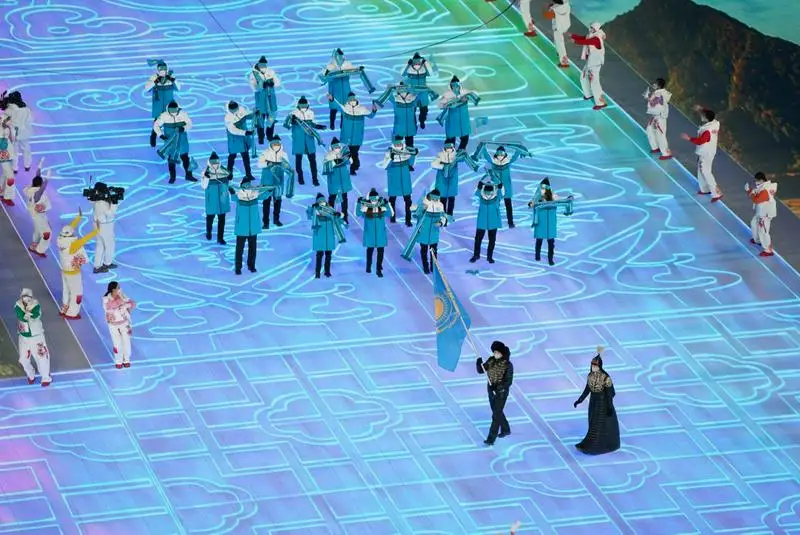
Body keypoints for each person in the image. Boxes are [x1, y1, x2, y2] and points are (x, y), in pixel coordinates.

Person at [573, 347, 620, 454]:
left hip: (602, 403)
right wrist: (579, 400)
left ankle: (596, 445)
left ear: (599, 366)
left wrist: (609, 405)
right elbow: (587, 390)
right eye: (592, 365)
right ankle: (590, 442)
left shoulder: (605, 377)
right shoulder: (590, 376)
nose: (594, 367)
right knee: (593, 422)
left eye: (596, 365)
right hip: (593, 402)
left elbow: (610, 392)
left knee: (599, 423)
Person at [473, 143, 530, 228]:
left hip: (506, 188)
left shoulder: (508, 161)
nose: (500, 156)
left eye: (501, 154)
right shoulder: (493, 161)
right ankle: (494, 221)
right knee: (495, 206)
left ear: (504, 154)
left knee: (508, 206)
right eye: (499, 154)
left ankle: (510, 222)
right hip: (496, 188)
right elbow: (486, 154)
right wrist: (483, 146)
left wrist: (519, 148)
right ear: (496, 154)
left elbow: (515, 155)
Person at [57, 208, 98, 319]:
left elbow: (71, 227)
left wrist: (78, 217)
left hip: (64, 270)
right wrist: (97, 230)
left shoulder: (60, 239)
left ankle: (64, 308)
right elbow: (85, 239)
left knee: (66, 290)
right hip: (73, 273)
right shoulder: (73, 245)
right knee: (77, 293)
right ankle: (72, 312)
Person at [320, 48, 376, 130]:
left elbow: (354, 69)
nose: (340, 57)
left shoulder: (347, 64)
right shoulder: (330, 65)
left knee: (345, 108)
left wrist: (359, 68)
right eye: (338, 56)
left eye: (341, 56)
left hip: (346, 89)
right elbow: (323, 76)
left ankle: (342, 124)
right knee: (334, 108)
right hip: (335, 89)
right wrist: (328, 74)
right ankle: (332, 123)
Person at [327, 92, 377, 175]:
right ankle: (354, 167)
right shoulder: (345, 108)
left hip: (357, 137)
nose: (352, 100)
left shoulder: (362, 109)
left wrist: (374, 110)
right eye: (350, 99)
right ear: (348, 100)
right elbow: (337, 105)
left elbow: (371, 115)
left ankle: (354, 166)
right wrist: (332, 99)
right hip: (346, 136)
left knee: (354, 153)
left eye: (353, 98)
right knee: (349, 154)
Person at [681, 107, 723, 202]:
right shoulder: (715, 123)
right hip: (709, 151)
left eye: (702, 115)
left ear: (706, 118)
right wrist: (701, 108)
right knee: (701, 170)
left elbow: (701, 141)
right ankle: (704, 189)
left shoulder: (707, 130)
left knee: (706, 171)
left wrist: (689, 138)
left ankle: (716, 192)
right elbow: (709, 113)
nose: (701, 116)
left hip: (706, 153)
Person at [528, 178, 573, 266]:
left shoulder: (552, 194)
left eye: (546, 187)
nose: (544, 189)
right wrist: (531, 204)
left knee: (551, 242)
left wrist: (567, 199)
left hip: (550, 221)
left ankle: (550, 259)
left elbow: (559, 200)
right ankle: (537, 256)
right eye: (543, 188)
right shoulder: (538, 194)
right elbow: (533, 202)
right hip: (541, 221)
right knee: (539, 240)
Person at [476, 341, 513, 445]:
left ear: (502, 353)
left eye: (498, 353)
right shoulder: (491, 360)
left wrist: (497, 388)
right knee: (497, 412)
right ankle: (506, 429)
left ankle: (491, 439)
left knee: (496, 415)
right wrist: (479, 362)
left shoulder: (507, 365)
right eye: (495, 352)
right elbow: (481, 370)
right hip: (491, 391)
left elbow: (508, 381)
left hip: (501, 393)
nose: (495, 354)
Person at [283, 96, 326, 186]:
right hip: (298, 140)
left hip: (309, 139)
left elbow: (312, 124)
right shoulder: (293, 113)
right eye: (302, 105)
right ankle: (300, 177)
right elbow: (286, 125)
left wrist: (319, 126)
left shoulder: (311, 113)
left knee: (312, 160)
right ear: (298, 105)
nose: (303, 107)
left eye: (304, 105)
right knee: (298, 160)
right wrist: (291, 121)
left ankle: (315, 179)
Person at [406, 189, 450, 274]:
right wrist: (421, 208)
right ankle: (425, 266)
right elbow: (412, 210)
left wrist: (441, 223)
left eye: (437, 198)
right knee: (424, 251)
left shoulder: (440, 205)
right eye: (434, 198)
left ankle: (433, 267)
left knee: (434, 251)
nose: (436, 200)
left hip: (434, 233)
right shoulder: (423, 203)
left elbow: (443, 217)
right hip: (424, 232)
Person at [231, 180, 269, 275]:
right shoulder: (239, 195)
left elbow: (264, 196)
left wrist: (269, 190)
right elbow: (233, 196)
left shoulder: (254, 195)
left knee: (253, 248)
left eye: (249, 184)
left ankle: (251, 266)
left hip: (253, 227)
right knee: (239, 249)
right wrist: (230, 190)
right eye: (246, 184)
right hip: (242, 227)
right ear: (243, 185)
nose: (248, 185)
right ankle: (238, 267)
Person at [15, 288, 52, 386]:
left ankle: (45, 377)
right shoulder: (18, 305)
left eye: (28, 297)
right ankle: (30, 373)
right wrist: (27, 314)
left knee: (41, 356)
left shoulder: (36, 305)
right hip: (23, 336)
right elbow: (21, 317)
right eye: (24, 297)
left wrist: (28, 314)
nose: (26, 299)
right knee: (23, 359)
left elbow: (36, 315)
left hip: (36, 336)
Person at [433, 139, 478, 217]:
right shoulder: (440, 155)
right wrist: (443, 166)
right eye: (447, 147)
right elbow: (434, 164)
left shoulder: (456, 155)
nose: (449, 149)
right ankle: (442, 215)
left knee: (451, 198)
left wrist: (471, 164)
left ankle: (450, 215)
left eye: (450, 147)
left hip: (452, 178)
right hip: (442, 178)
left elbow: (463, 158)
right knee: (443, 198)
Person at [153, 100, 195, 184]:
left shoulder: (183, 114)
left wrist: (184, 128)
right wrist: (160, 135)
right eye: (171, 110)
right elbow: (156, 125)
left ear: (177, 108)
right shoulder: (164, 116)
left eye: (174, 110)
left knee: (185, 158)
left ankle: (189, 175)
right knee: (171, 159)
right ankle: (172, 177)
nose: (173, 112)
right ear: (168, 109)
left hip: (182, 140)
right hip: (170, 141)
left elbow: (190, 123)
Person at [257, 136, 294, 229]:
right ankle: (265, 222)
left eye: (277, 144)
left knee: (277, 201)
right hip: (267, 181)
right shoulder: (265, 153)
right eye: (274, 144)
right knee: (266, 202)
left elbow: (287, 166)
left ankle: (276, 220)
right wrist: (267, 164)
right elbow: (259, 164)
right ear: (271, 144)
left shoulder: (284, 154)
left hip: (278, 181)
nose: (276, 145)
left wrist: (287, 168)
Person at [307, 193, 347, 278]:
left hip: (329, 235)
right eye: (320, 201)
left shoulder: (330, 209)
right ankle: (317, 272)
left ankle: (327, 271)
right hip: (320, 236)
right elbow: (309, 215)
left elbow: (337, 217)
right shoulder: (316, 209)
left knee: (328, 255)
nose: (322, 202)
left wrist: (341, 218)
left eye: (323, 201)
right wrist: (311, 209)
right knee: (319, 255)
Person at [381, 136, 418, 226]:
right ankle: (392, 217)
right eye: (397, 144)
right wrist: (391, 158)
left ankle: (408, 220)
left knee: (408, 201)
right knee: (392, 200)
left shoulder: (406, 151)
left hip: (405, 180)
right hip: (394, 180)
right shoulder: (389, 152)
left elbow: (411, 164)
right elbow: (384, 166)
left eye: (400, 143)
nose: (399, 145)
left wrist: (414, 155)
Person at [571, 22, 607, 110]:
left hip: (595, 63)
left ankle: (600, 102)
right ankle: (589, 94)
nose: (590, 29)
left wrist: (575, 41)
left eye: (592, 27)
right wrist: (573, 36)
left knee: (594, 82)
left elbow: (587, 41)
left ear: (596, 28)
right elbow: (584, 38)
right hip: (590, 62)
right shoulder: (592, 35)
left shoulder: (597, 38)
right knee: (583, 77)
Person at [356, 189, 392, 277]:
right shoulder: (366, 209)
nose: (374, 201)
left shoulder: (382, 208)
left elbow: (390, 214)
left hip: (380, 234)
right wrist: (359, 203)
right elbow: (358, 213)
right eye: (372, 200)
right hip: (370, 234)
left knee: (380, 252)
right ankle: (368, 266)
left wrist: (387, 204)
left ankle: (378, 269)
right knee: (370, 251)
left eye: (375, 199)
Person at [438, 76, 480, 150]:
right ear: (451, 86)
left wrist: (467, 97)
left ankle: (461, 151)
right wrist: (449, 102)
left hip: (463, 119)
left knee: (465, 137)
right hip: (452, 119)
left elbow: (476, 95)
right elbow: (440, 105)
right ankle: (449, 153)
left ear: (459, 85)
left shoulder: (465, 92)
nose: (455, 87)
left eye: (456, 85)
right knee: (450, 139)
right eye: (453, 85)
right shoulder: (447, 95)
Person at [144, 60, 180, 148]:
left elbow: (178, 88)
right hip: (158, 104)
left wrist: (173, 80)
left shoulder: (171, 77)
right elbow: (147, 88)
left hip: (168, 104)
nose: (163, 70)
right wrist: (156, 81)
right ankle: (153, 136)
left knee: (170, 122)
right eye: (161, 68)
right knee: (157, 121)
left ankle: (170, 141)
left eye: (164, 68)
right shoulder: (154, 77)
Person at [201, 151, 233, 244]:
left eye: (216, 162)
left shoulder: (224, 171)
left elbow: (229, 183)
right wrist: (206, 178)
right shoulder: (205, 172)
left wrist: (230, 178)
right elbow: (203, 186)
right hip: (212, 199)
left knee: (222, 220)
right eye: (213, 162)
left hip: (222, 199)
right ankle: (209, 232)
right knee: (210, 218)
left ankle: (220, 238)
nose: (215, 164)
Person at [375, 82, 419, 148]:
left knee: (409, 147)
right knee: (398, 148)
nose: (402, 90)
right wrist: (389, 89)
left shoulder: (414, 98)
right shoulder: (395, 98)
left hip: (409, 128)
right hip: (400, 128)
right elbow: (381, 100)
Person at [248, 56, 281, 144]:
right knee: (260, 119)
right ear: (258, 64)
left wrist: (272, 83)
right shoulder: (253, 74)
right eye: (261, 64)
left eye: (264, 64)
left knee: (271, 118)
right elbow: (253, 88)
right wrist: (262, 85)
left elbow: (278, 82)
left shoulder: (270, 71)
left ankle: (270, 135)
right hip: (261, 100)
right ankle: (261, 137)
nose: (263, 66)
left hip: (271, 99)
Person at [471, 176, 503, 264]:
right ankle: (476, 255)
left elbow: (500, 187)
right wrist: (481, 182)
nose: (488, 193)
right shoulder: (482, 196)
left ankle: (489, 257)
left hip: (492, 221)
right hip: (483, 220)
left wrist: (497, 181)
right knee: (478, 239)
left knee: (491, 240)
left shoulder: (497, 196)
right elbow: (478, 189)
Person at [103, 281, 135, 369]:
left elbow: (132, 303)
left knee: (126, 342)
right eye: (118, 288)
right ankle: (118, 361)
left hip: (124, 323)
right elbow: (110, 308)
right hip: (113, 325)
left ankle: (126, 360)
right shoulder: (106, 299)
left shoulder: (122, 295)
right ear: (113, 290)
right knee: (117, 344)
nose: (120, 289)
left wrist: (126, 305)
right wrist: (122, 303)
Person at [746, 172, 778, 257]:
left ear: (761, 180)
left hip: (765, 213)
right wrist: (750, 191)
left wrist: (750, 192)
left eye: (756, 180)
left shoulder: (765, 190)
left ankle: (768, 250)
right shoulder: (763, 186)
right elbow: (755, 193)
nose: (755, 182)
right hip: (760, 211)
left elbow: (757, 200)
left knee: (763, 231)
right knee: (754, 223)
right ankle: (757, 240)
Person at [401, 52, 437, 129]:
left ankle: (422, 121)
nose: (417, 63)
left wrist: (426, 62)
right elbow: (402, 73)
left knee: (424, 110)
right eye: (415, 61)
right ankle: (413, 124)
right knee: (412, 110)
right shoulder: (409, 68)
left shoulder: (424, 68)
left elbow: (431, 73)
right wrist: (407, 64)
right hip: (412, 92)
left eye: (418, 61)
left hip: (423, 92)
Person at [322, 137, 353, 224]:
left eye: (338, 147)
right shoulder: (328, 156)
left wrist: (348, 157)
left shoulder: (343, 153)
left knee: (344, 199)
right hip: (334, 180)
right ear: (332, 148)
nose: (337, 149)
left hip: (343, 180)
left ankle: (345, 216)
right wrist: (335, 161)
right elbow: (325, 167)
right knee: (332, 198)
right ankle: (331, 215)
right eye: (335, 147)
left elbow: (350, 162)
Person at [23, 166, 51, 258]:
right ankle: (39, 250)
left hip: (36, 215)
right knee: (47, 234)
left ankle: (33, 245)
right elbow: (42, 188)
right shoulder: (37, 194)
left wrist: (39, 169)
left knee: (38, 231)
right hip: (39, 216)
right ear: (40, 184)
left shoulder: (31, 188)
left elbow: (37, 177)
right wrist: (47, 179)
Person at [91, 182, 119, 274]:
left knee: (101, 245)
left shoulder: (95, 199)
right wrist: (114, 203)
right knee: (109, 245)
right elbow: (110, 214)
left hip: (99, 224)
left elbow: (91, 200)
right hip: (105, 225)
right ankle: (105, 264)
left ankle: (100, 265)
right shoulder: (102, 203)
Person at [224, 100, 256, 181]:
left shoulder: (241, 109)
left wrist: (254, 114)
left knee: (245, 157)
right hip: (234, 139)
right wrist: (246, 132)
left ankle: (248, 174)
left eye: (236, 109)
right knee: (232, 156)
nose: (235, 111)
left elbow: (247, 115)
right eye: (233, 110)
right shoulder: (227, 118)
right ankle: (229, 173)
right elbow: (233, 130)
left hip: (243, 139)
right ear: (230, 109)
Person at [4, 91, 34, 173]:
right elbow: (30, 120)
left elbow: (5, 120)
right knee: (26, 149)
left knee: (14, 150)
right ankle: (27, 165)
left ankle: (14, 168)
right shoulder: (26, 108)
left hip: (14, 132)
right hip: (24, 131)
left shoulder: (10, 109)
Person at [644, 78, 672, 160]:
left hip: (660, 118)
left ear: (659, 85)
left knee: (660, 135)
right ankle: (655, 147)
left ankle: (666, 153)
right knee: (649, 130)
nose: (653, 84)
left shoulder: (660, 94)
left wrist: (647, 97)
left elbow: (654, 103)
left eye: (655, 83)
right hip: (655, 116)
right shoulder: (659, 92)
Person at [545, 0, 571, 68]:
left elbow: (548, 15)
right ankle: (559, 52)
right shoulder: (567, 6)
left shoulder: (556, 9)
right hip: (565, 25)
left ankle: (564, 62)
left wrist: (550, 8)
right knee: (557, 42)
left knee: (560, 44)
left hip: (558, 28)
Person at [0, 113, 16, 206]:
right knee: (10, 177)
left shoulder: (9, 128)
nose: (10, 121)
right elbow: (2, 145)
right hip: (3, 155)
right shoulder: (1, 130)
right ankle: (8, 197)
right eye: (7, 120)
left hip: (10, 154)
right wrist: (6, 136)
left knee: (5, 175)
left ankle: (2, 192)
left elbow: (13, 140)